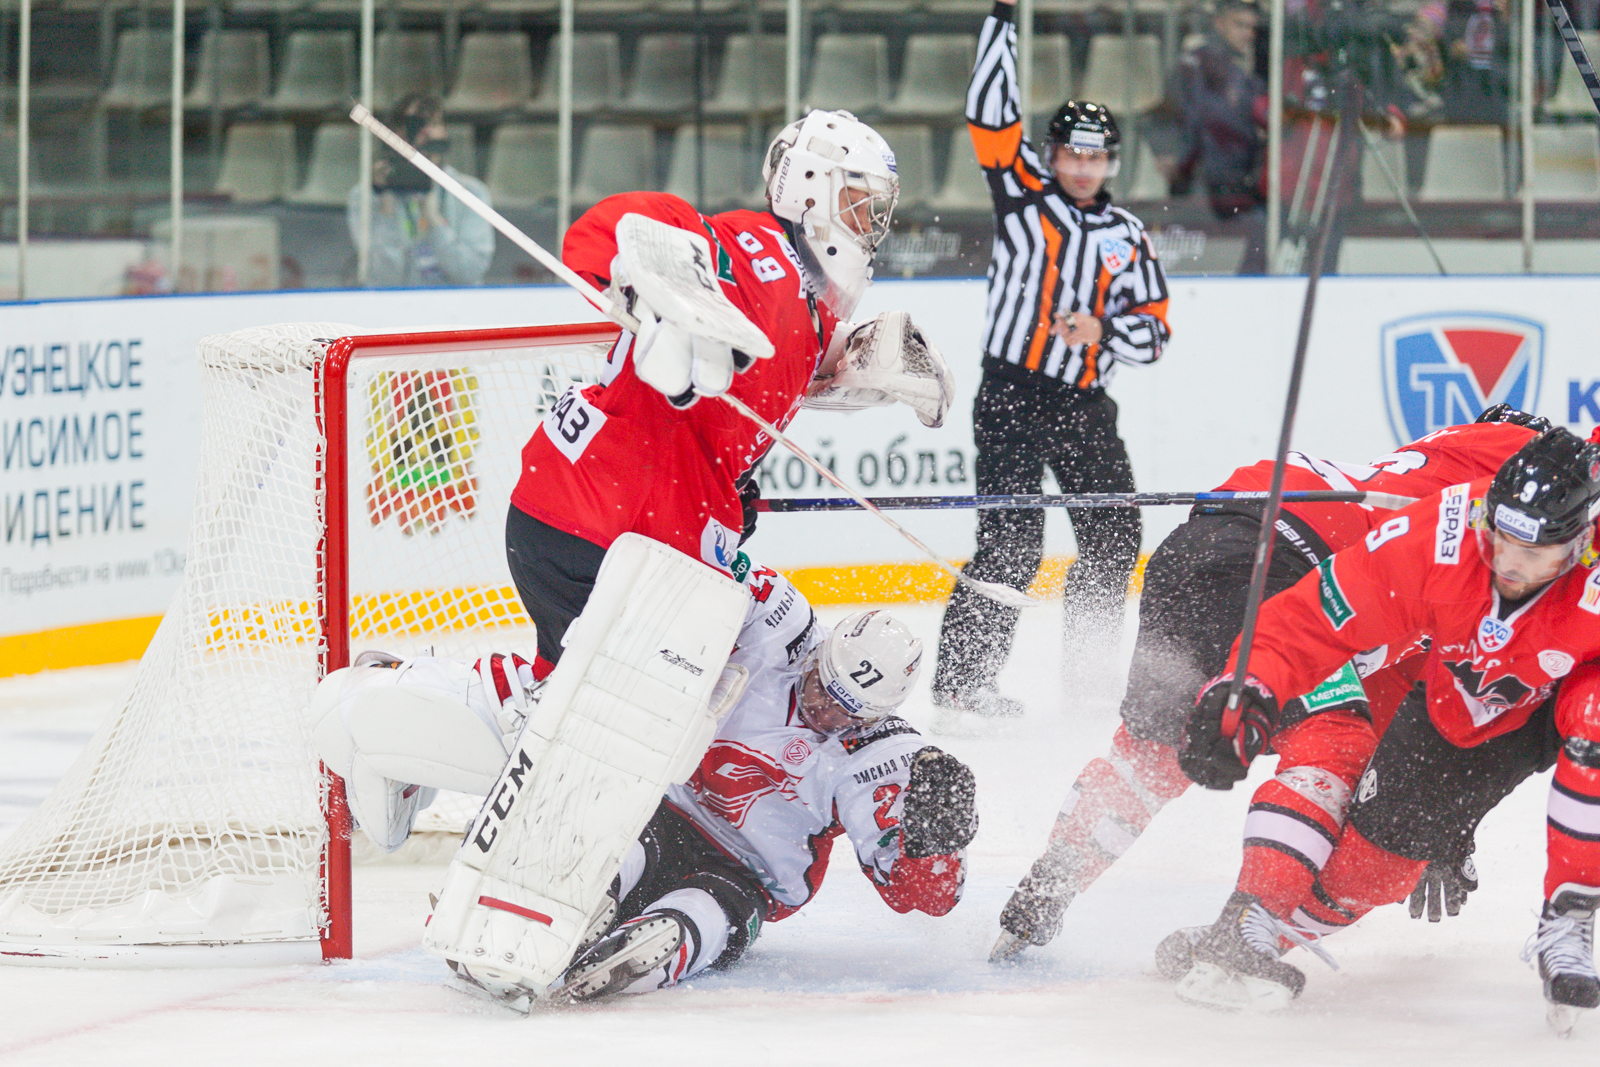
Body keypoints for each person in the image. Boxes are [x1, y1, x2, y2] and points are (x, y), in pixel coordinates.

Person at [990, 406, 1547, 960]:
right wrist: (1443, 824)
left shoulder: (1430, 477)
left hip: (1198, 550)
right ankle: (1243, 936)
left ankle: (1045, 890)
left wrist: (1442, 819)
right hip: (1280, 567)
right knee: (1333, 746)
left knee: (1155, 753)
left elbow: (1399, 710)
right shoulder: (1515, 468)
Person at [313, 557, 978, 1002]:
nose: (824, 707)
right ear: (827, 646)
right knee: (609, 860)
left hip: (744, 877)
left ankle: (643, 949)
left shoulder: (885, 756)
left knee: (692, 925)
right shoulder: (781, 622)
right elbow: (694, 558)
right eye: (821, 686)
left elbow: (921, 894)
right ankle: (531, 902)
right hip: (656, 807)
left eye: (844, 709)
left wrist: (935, 844)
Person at [505, 109, 951, 678]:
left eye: (876, 212)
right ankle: (434, 700)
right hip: (597, 525)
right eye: (859, 203)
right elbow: (614, 228)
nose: (869, 227)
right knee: (613, 727)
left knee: (575, 714)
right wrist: (669, 299)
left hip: (607, 524)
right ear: (810, 189)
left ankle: (475, 716)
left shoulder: (808, 312)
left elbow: (735, 407)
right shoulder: (757, 252)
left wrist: (734, 488)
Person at [1174, 426, 1600, 1022]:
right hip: (1472, 701)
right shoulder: (1442, 531)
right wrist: (1249, 687)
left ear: (1581, 542)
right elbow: (1313, 618)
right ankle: (1253, 928)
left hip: (1582, 671)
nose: (1508, 565)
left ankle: (1570, 916)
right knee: (1382, 865)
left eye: (1533, 554)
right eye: (1498, 540)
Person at [933, 0, 1172, 721]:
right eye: (1072, 153)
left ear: (1111, 161)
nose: (1083, 167)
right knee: (1011, 542)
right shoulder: (1022, 194)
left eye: (1096, 156)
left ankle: (1089, 675)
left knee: (1114, 533)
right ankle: (961, 682)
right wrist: (1004, 18)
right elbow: (987, 112)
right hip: (1010, 393)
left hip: (1084, 403)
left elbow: (1155, 332)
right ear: (1052, 153)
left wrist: (1101, 330)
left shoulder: (1128, 234)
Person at [346, 93, 495, 287]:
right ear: (393, 134)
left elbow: (469, 273)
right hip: (396, 309)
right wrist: (386, 207)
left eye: (433, 124)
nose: (424, 133)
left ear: (444, 135)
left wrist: (435, 222)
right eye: (413, 125)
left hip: (459, 309)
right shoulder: (365, 197)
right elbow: (382, 278)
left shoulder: (470, 192)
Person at [1169, 0, 1270, 272]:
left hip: (1233, 188)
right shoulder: (1197, 64)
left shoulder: (1243, 71)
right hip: (1207, 189)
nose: (1248, 34)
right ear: (1218, 22)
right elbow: (1187, 122)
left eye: (1252, 28)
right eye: (1240, 25)